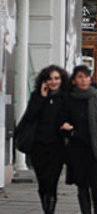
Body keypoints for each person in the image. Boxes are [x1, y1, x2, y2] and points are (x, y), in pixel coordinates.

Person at [61, 65, 97, 214]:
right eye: (80, 77)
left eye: (86, 76)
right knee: (82, 185)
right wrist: (69, 131)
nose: (83, 80)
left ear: (90, 78)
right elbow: (62, 121)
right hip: (78, 148)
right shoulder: (69, 99)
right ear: (74, 80)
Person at [17, 65, 69, 213]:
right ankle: (46, 208)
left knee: (52, 183)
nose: (53, 82)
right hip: (38, 146)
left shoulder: (65, 97)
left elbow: (70, 117)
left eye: (56, 78)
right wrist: (41, 97)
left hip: (57, 147)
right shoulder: (37, 96)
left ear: (61, 80)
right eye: (50, 79)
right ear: (44, 80)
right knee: (42, 183)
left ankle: (49, 211)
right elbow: (30, 116)